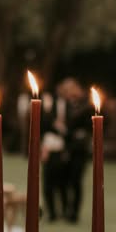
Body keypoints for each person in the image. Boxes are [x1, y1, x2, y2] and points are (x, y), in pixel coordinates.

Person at [62, 79, 93, 223]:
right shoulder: (65, 105)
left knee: (76, 181)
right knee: (65, 181)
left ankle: (74, 212)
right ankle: (65, 209)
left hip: (80, 150)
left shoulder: (86, 105)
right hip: (67, 148)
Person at [41, 84, 68, 221]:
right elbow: (44, 126)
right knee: (48, 182)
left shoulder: (70, 106)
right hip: (50, 147)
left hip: (62, 148)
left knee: (62, 183)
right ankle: (51, 211)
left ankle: (65, 210)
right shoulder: (50, 105)